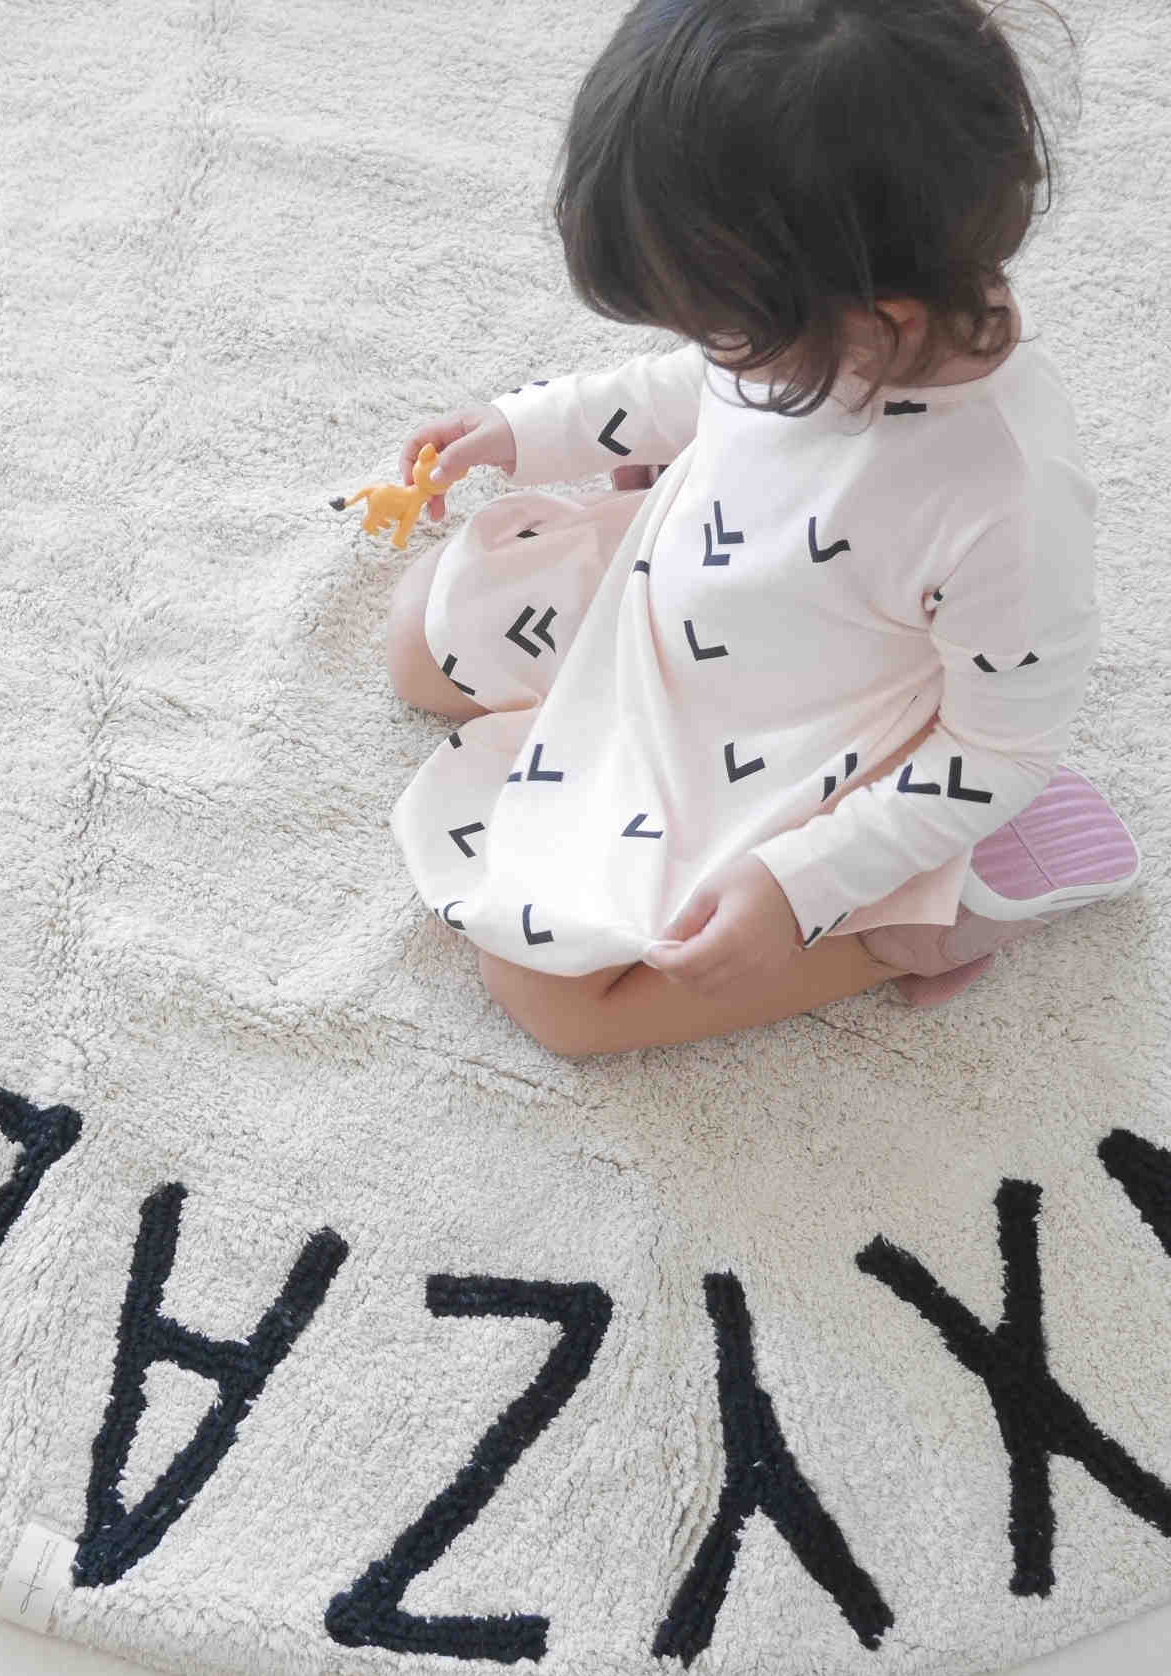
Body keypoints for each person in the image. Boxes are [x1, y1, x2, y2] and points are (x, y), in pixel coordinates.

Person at [383, 0, 1139, 1056]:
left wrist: (797, 891)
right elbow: (691, 388)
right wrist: (519, 428)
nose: (707, 347)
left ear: (880, 327)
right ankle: (614, 727)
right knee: (419, 633)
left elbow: (999, 742)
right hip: (698, 584)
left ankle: (919, 922)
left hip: (814, 729)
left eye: (720, 328)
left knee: (543, 989)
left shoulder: (1003, 500)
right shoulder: (816, 321)